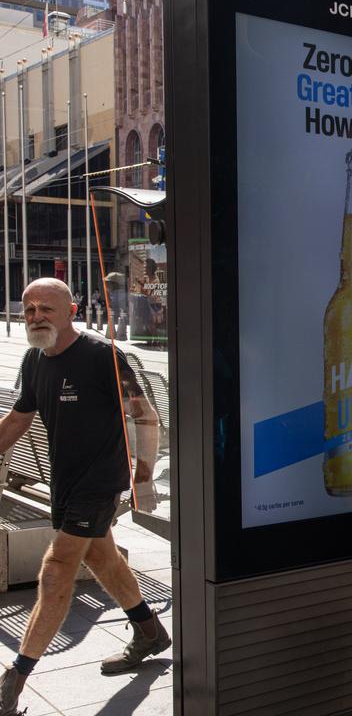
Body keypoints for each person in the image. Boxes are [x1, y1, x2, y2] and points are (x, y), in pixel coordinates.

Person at [0, 278, 168, 715]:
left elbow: (144, 415)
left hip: (100, 481)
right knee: (102, 558)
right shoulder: (35, 360)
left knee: (56, 570)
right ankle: (150, 631)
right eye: (29, 308)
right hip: (65, 481)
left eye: (46, 309)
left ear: (72, 310)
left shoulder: (102, 356)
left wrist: (144, 478)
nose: (35, 317)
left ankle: (14, 680)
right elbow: (19, 418)